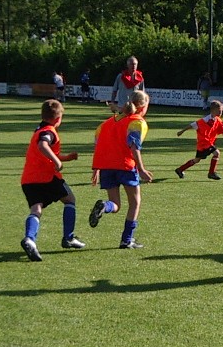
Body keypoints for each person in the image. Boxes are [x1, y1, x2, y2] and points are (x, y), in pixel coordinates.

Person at [20, 98, 86, 262]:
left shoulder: (39, 129)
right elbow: (43, 146)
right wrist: (57, 162)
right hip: (47, 178)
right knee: (70, 199)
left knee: (36, 210)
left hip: (29, 178)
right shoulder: (49, 131)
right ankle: (68, 238)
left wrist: (66, 158)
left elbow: (44, 152)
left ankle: (30, 239)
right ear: (58, 119)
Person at [88, 90, 153, 249]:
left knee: (115, 204)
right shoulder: (137, 122)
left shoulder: (106, 123)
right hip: (125, 166)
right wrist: (141, 169)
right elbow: (134, 147)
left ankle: (105, 206)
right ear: (143, 107)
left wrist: (96, 168)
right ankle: (126, 240)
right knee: (135, 203)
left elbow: (98, 144)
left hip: (106, 167)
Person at [174, 100, 223, 180]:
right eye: (219, 110)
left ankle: (180, 169)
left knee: (197, 160)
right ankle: (211, 173)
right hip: (204, 143)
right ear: (213, 110)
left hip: (205, 144)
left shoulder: (217, 120)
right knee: (217, 153)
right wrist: (182, 131)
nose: (221, 112)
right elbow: (192, 125)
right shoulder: (205, 120)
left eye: (222, 110)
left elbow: (221, 129)